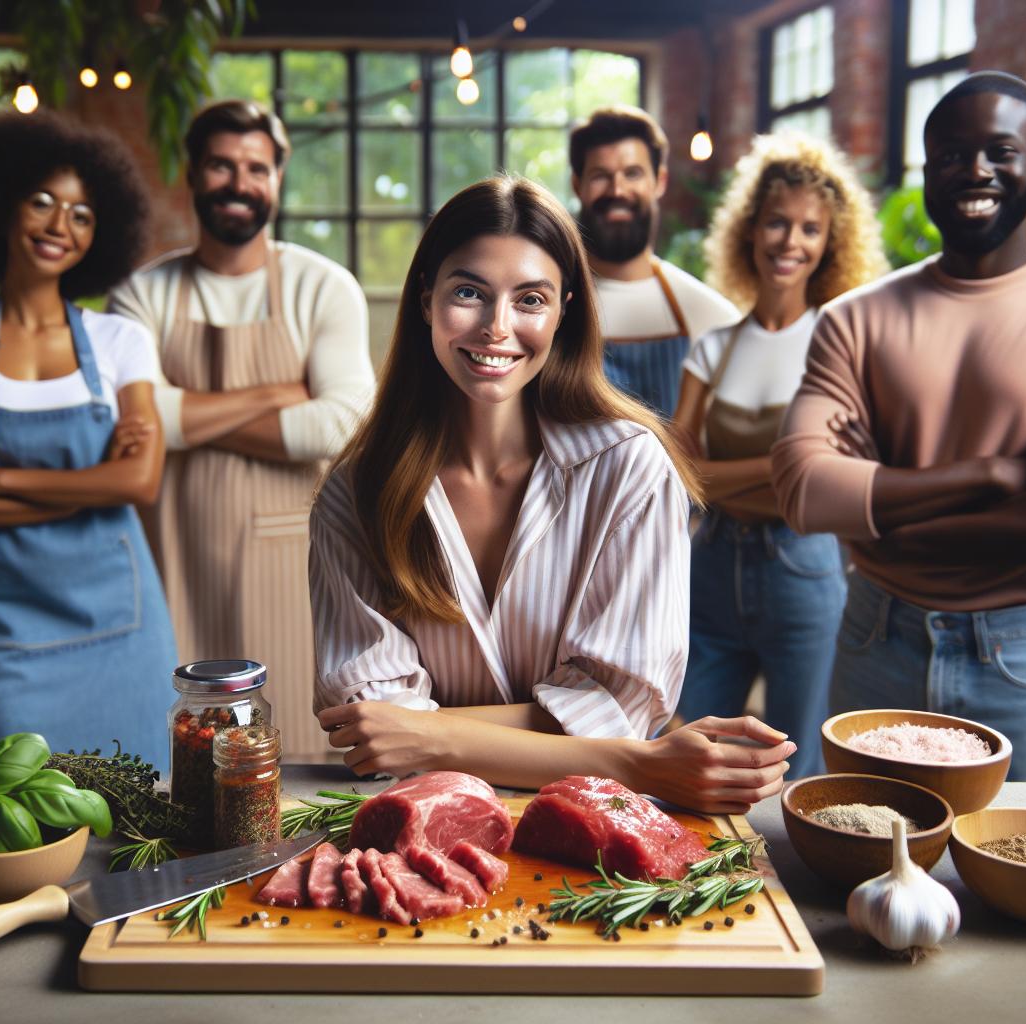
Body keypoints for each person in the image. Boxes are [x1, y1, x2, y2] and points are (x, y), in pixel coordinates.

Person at [310, 176, 795, 813]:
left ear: (564, 311)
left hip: (588, 826)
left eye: (530, 299)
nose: (496, 328)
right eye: (468, 292)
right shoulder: (355, 493)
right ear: (426, 298)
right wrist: (623, 758)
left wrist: (430, 732)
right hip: (424, 820)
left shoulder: (632, 469)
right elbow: (372, 732)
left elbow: (617, 708)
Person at [771, 73, 1026, 781]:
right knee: (849, 871)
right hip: (874, 638)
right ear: (927, 167)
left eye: (1001, 151)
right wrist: (992, 475)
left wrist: (882, 515)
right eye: (951, 153)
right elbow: (802, 488)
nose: (975, 170)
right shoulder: (854, 320)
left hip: (1024, 645)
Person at [109, 100, 374, 760]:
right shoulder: (140, 295)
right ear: (193, 175)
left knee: (293, 756)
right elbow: (139, 424)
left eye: (256, 167)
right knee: (181, 754)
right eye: (221, 165)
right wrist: (276, 395)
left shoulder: (323, 287)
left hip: (298, 558)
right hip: (174, 553)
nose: (239, 181)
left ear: (277, 178)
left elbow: (341, 424)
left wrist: (186, 416)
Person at [0, 113, 179, 770]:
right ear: (3, 204)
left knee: (140, 805)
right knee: (21, 808)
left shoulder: (121, 342)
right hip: (10, 630)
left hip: (125, 631)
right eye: (43, 202)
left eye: (83, 214)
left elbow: (138, 483)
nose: (61, 226)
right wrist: (88, 489)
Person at [671, 133, 888, 778]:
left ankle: (784, 883)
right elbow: (682, 476)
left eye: (809, 229)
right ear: (749, 230)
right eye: (776, 222)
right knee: (692, 756)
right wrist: (791, 465)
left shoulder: (840, 341)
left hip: (803, 570)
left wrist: (734, 476)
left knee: (799, 769)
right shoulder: (712, 348)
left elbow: (839, 481)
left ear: (830, 243)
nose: (790, 242)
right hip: (710, 568)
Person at [569, 106, 740, 418]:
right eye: (600, 176)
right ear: (577, 186)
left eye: (632, 173)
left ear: (659, 182)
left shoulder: (710, 316)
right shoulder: (548, 305)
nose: (617, 190)